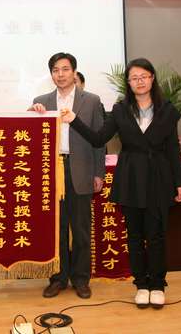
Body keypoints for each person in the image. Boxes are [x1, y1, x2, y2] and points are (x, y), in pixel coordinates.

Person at [61, 57, 181, 309]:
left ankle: (157, 285)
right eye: (134, 78)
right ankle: (141, 285)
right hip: (131, 177)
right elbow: (98, 139)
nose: (139, 82)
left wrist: (179, 181)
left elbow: (173, 148)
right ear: (128, 83)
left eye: (144, 76)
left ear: (152, 78)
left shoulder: (167, 110)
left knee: (157, 235)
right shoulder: (120, 110)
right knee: (135, 235)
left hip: (159, 177)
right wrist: (74, 120)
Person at [29, 52, 105, 300]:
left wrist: (98, 172)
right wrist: (31, 115)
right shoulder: (41, 101)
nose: (60, 74)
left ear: (74, 72)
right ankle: (58, 279)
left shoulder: (91, 101)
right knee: (55, 229)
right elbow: (29, 137)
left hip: (80, 168)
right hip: (51, 171)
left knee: (81, 229)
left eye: (65, 69)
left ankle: (81, 280)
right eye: (55, 70)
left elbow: (99, 141)